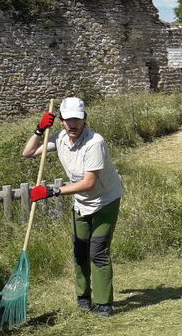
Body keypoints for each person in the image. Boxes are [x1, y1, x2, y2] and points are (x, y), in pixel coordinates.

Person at [22, 97, 123, 318]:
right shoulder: (59, 138)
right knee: (79, 251)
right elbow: (28, 153)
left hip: (105, 200)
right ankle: (83, 298)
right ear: (61, 121)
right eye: (67, 120)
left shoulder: (94, 142)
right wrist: (39, 130)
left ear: (85, 120)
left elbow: (88, 183)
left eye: (77, 119)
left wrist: (52, 191)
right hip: (82, 202)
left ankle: (104, 304)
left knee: (98, 252)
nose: (72, 124)